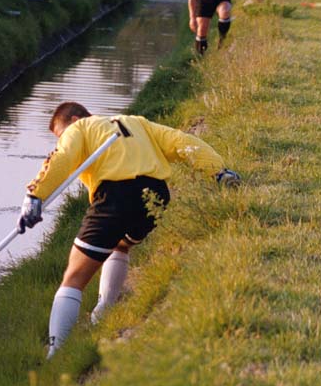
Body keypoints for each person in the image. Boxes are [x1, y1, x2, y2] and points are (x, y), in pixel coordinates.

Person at [17, 102, 241, 358]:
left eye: (60, 134)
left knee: (74, 277)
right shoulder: (136, 122)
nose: (60, 139)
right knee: (121, 243)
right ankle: (105, 309)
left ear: (75, 118)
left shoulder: (78, 127)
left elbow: (62, 157)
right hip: (155, 195)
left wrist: (35, 195)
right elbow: (180, 141)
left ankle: (55, 352)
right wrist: (218, 171)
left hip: (115, 197)